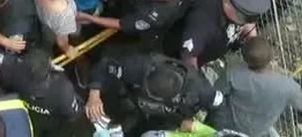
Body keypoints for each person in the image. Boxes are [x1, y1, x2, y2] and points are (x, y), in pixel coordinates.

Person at [211, 37, 302, 136]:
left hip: (224, 122)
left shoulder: (232, 74)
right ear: (271, 57)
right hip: (255, 132)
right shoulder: (286, 86)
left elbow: (216, 93)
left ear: (244, 58)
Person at [86, 51, 224, 134]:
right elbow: (105, 65)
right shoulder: (141, 65)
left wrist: (205, 126)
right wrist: (94, 94)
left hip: (171, 120)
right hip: (137, 99)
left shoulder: (202, 91)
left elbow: (219, 105)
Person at [179, 0, 271, 68]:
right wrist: (193, 75)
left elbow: (248, 21)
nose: (246, 23)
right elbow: (188, 57)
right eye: (244, 17)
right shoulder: (202, 24)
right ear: (231, 6)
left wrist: (253, 43)